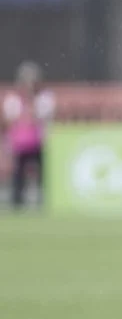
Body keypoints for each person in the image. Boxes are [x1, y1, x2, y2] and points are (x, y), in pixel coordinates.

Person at [3, 61, 54, 212]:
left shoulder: (44, 98)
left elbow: (44, 117)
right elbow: (10, 119)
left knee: (41, 173)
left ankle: (41, 201)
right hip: (20, 142)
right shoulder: (14, 99)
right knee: (18, 172)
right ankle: (17, 201)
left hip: (37, 141)